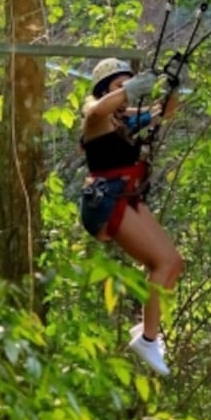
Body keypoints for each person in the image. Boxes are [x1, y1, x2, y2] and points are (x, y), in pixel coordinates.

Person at [79, 58, 184, 376]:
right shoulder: (97, 120)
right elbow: (94, 110)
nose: (125, 91)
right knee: (161, 264)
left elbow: (163, 113)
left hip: (125, 196)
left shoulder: (125, 120)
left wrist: (173, 88)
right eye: (117, 86)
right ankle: (149, 339)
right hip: (106, 201)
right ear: (103, 91)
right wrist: (130, 89)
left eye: (128, 84)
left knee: (174, 262)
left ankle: (146, 332)